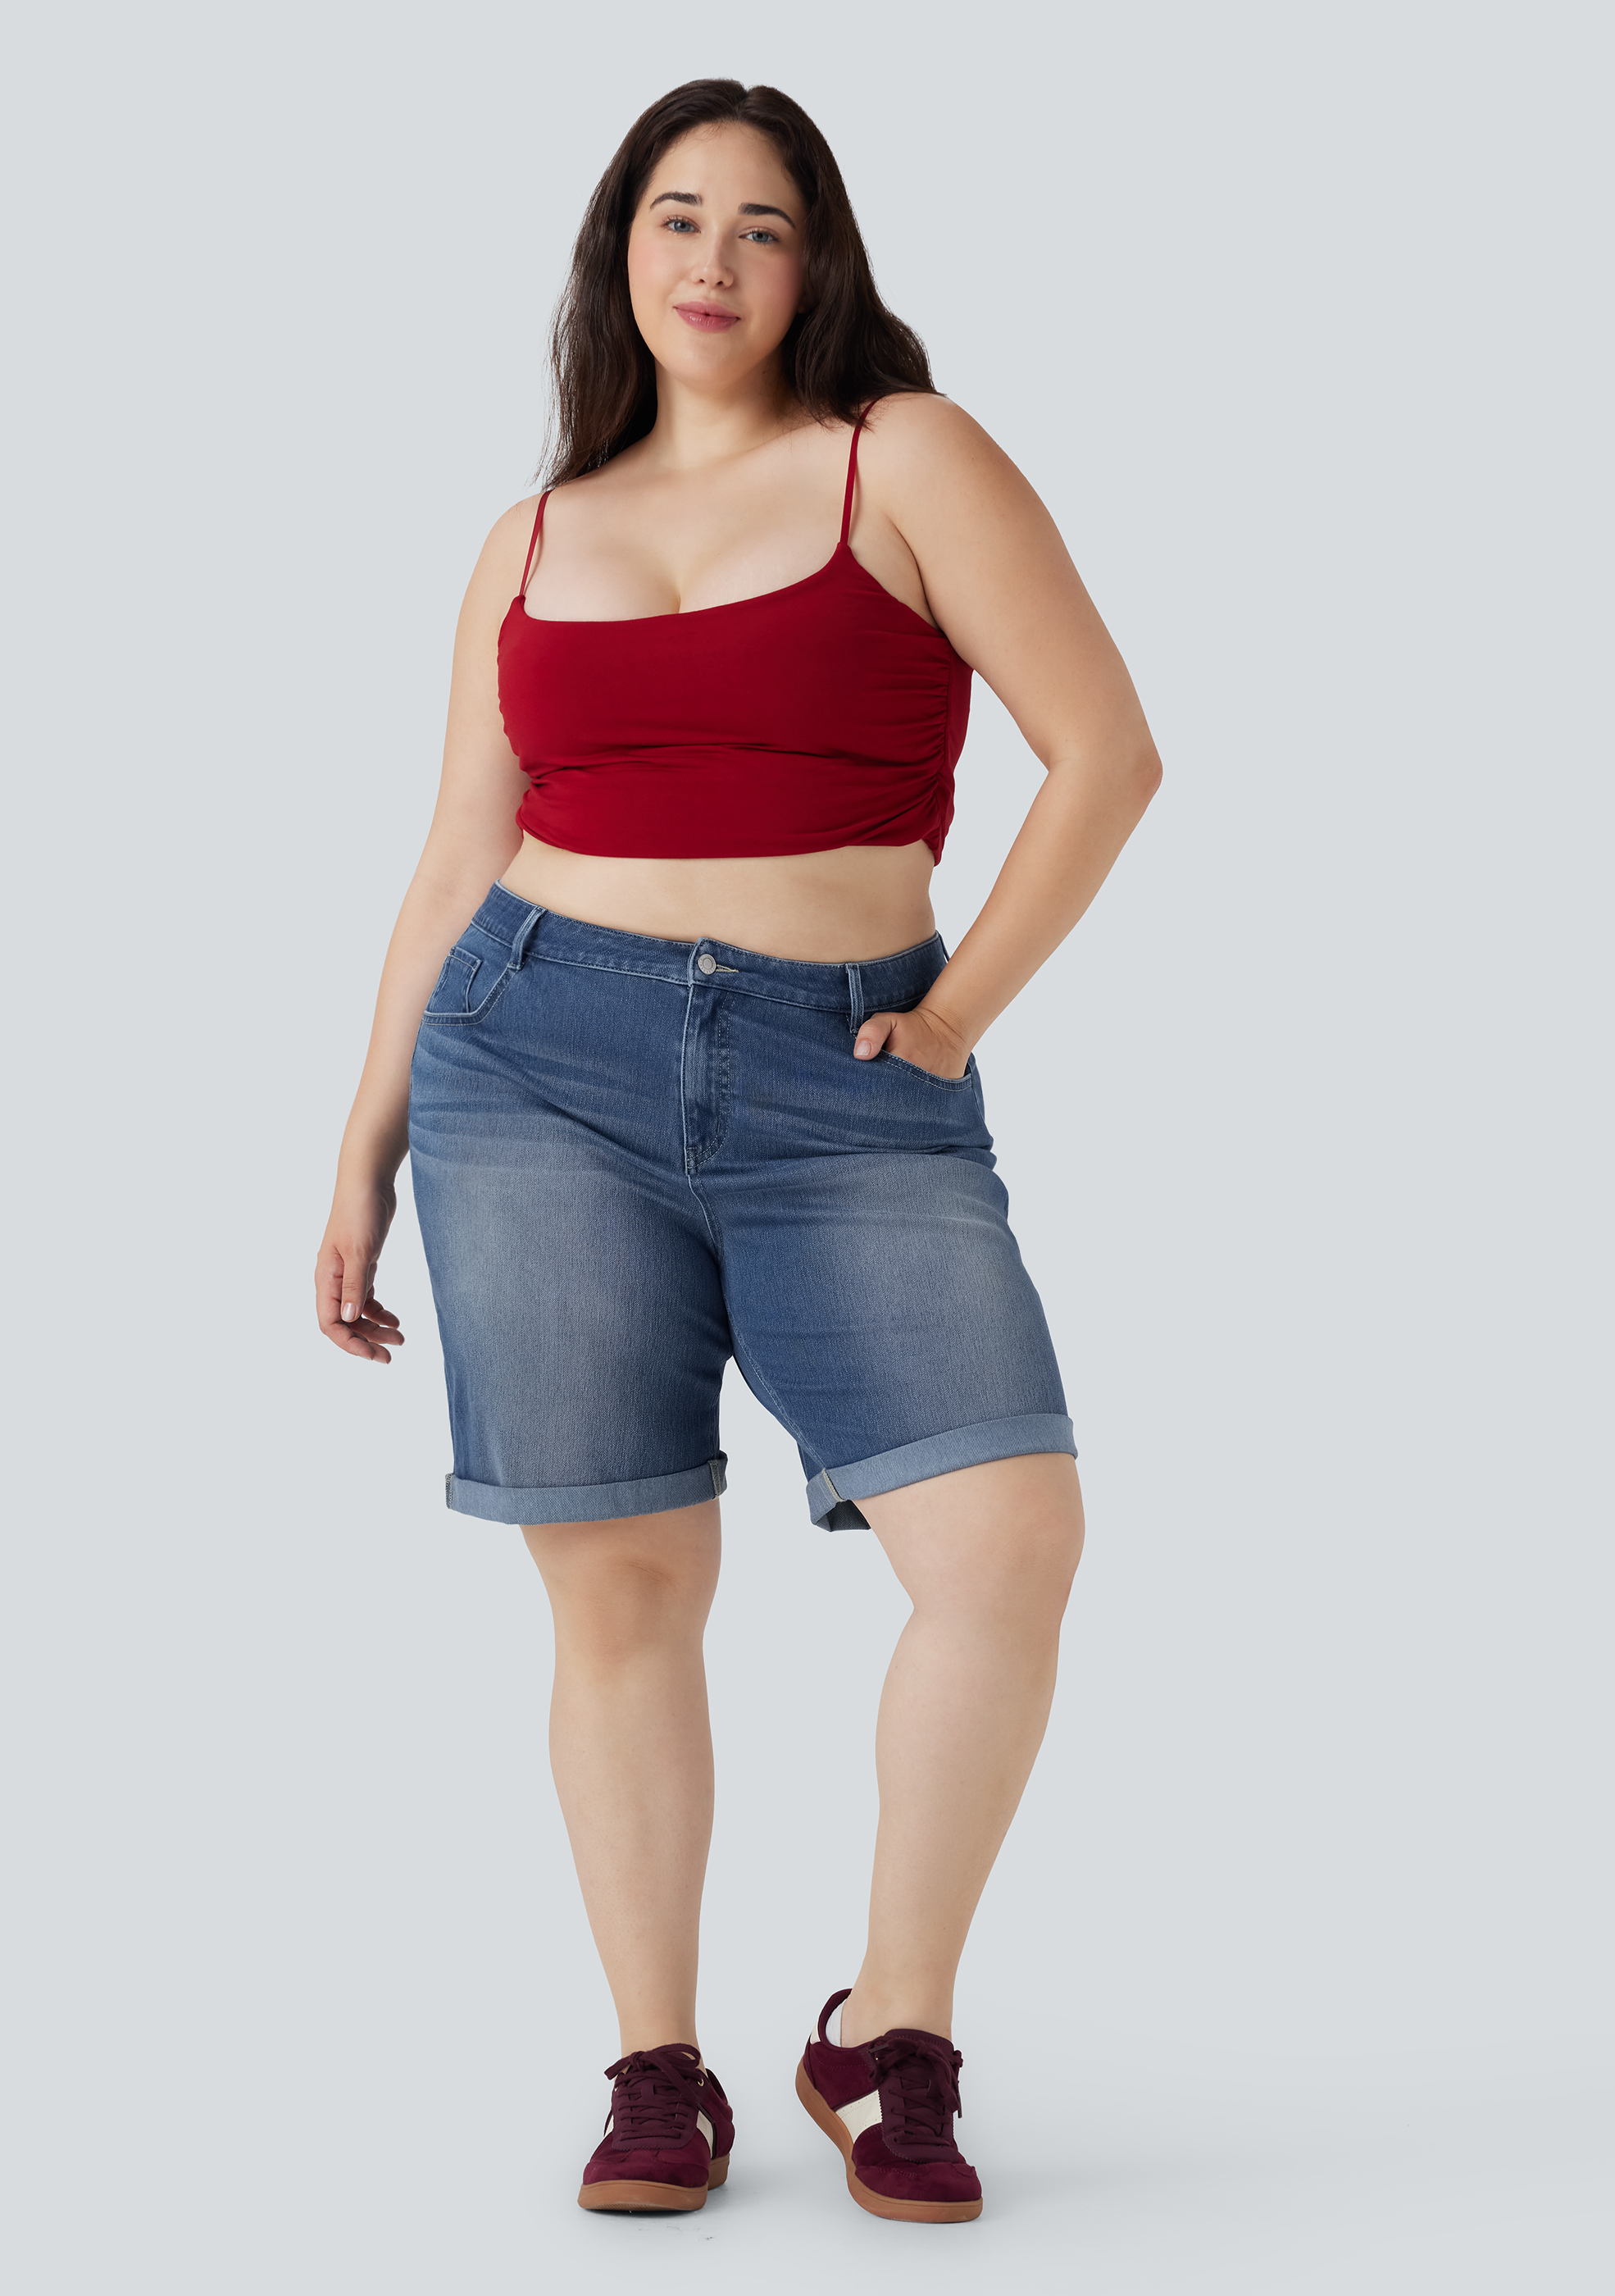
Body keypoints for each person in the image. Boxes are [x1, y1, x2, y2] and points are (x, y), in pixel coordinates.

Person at [314, 77, 1161, 2225]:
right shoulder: (530, 539)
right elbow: (452, 861)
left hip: (845, 1073)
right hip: (533, 1067)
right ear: (621, 250)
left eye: (762, 226)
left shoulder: (904, 458)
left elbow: (1107, 754)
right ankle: (657, 2068)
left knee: (1006, 1544)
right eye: (676, 216)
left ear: (818, 264)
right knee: (622, 1582)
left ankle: (892, 2034)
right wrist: (359, 1153)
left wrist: (949, 1021)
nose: (712, 260)